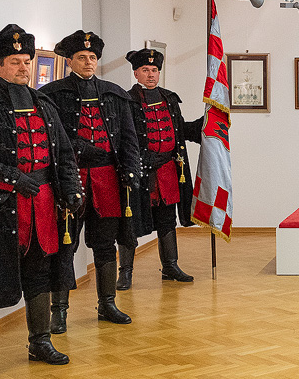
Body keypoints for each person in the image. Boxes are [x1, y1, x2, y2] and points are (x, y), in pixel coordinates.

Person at [0, 24, 82, 379]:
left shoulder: (45, 104)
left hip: (43, 205)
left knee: (40, 273)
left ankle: (40, 342)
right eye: (15, 62)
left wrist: (72, 190)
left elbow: (64, 153)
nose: (24, 68)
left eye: (26, 61)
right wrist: (12, 178)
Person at [39, 30, 140, 332]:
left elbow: (129, 138)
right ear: (69, 61)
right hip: (72, 179)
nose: (88, 62)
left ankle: (107, 304)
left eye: (92, 57)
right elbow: (52, 139)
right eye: (82, 57)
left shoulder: (114, 93)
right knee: (64, 247)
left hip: (108, 180)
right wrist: (82, 149)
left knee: (105, 245)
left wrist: (131, 172)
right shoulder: (52, 94)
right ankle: (59, 312)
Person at [118, 47, 202, 288]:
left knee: (167, 220)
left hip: (167, 171)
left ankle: (170, 266)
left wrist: (206, 123)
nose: (151, 74)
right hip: (138, 173)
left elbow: (180, 130)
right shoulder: (126, 101)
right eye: (145, 70)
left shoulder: (170, 99)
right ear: (136, 73)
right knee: (130, 222)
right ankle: (125, 272)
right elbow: (122, 138)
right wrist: (140, 160)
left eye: (154, 70)